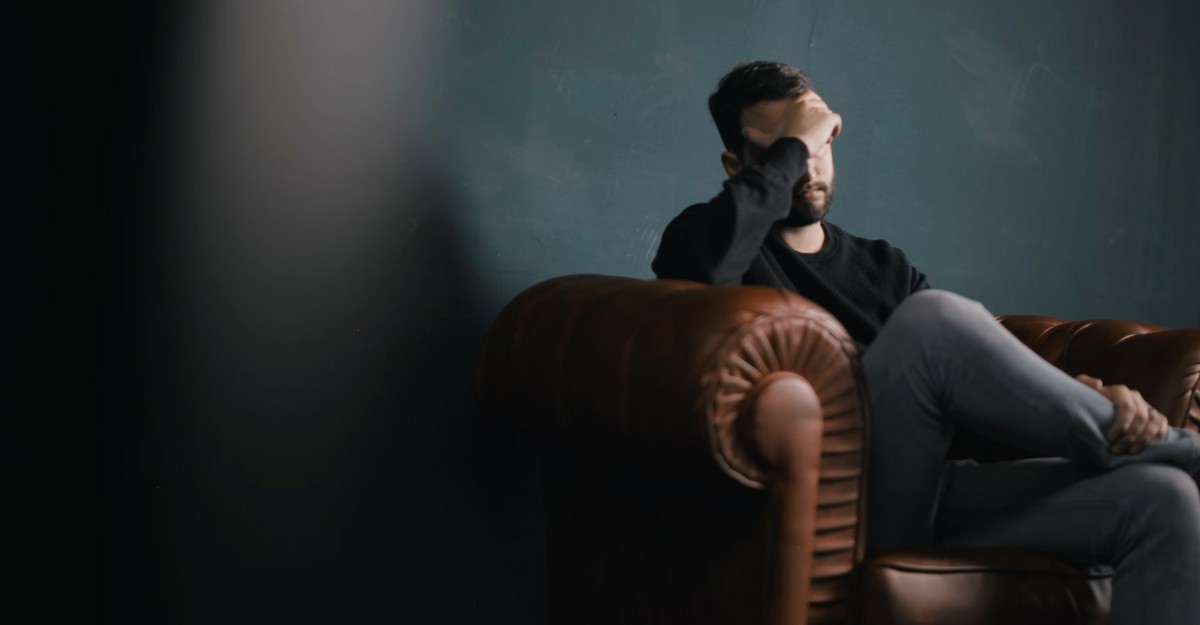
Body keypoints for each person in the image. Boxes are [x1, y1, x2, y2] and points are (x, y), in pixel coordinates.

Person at [652, 60, 1200, 625]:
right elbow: (703, 274)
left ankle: (1147, 450)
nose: (809, 165)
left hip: (932, 493)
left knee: (1164, 499)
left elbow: (965, 411)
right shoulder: (703, 237)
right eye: (790, 148)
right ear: (737, 165)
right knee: (932, 319)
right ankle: (1182, 449)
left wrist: (1072, 400)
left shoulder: (884, 266)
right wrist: (798, 138)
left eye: (821, 141)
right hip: (835, 508)